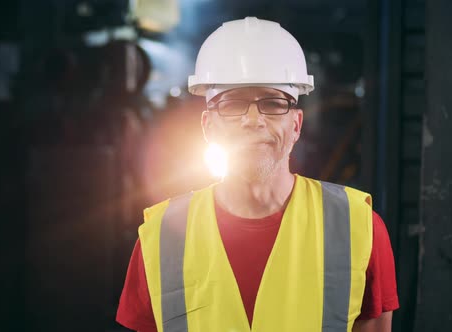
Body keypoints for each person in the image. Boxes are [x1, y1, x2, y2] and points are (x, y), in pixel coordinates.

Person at [116, 17, 399, 332]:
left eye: (273, 102)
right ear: (209, 126)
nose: (253, 120)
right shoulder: (159, 238)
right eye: (233, 104)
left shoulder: (359, 228)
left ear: (296, 125)